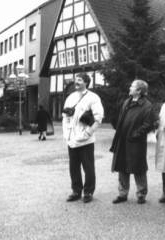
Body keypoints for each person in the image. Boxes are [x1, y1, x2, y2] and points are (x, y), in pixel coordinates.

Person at [110, 80, 155, 204]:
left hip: (136, 142)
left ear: (139, 90)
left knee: (138, 168)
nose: (129, 88)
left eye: (132, 86)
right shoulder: (126, 102)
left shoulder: (147, 105)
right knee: (122, 167)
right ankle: (122, 194)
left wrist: (135, 135)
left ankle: (141, 194)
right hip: (123, 141)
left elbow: (147, 124)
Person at [62, 73, 104, 203]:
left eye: (79, 80)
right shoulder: (70, 97)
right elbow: (65, 117)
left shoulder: (93, 97)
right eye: (76, 80)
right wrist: (66, 134)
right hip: (71, 139)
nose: (76, 82)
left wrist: (87, 134)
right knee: (73, 167)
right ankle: (76, 191)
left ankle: (88, 192)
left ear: (86, 82)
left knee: (88, 167)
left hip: (85, 140)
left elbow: (98, 119)